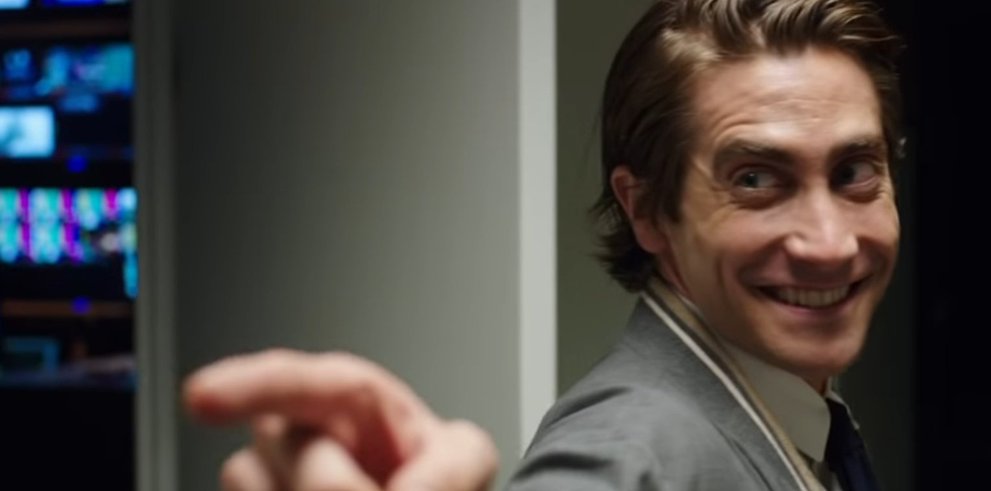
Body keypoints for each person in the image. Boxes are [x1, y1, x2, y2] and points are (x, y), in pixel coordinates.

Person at [186, 0, 903, 489]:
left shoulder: (800, 417)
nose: (831, 244)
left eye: (853, 172)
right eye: (755, 180)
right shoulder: (620, 456)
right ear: (648, 210)